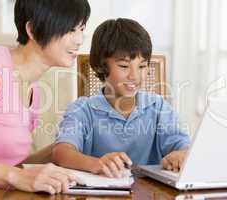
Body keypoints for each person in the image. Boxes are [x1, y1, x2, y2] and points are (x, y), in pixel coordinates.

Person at [0, 0, 90, 198]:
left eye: (81, 29)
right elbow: (14, 173)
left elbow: (9, 162)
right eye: (70, 29)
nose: (79, 40)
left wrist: (68, 146)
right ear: (33, 30)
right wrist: (16, 177)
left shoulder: (33, 89)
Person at [52, 18, 190, 178]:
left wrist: (181, 154)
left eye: (142, 66)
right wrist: (96, 164)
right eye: (124, 66)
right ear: (100, 66)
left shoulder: (158, 107)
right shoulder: (82, 110)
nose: (135, 76)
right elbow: (61, 152)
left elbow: (183, 145)